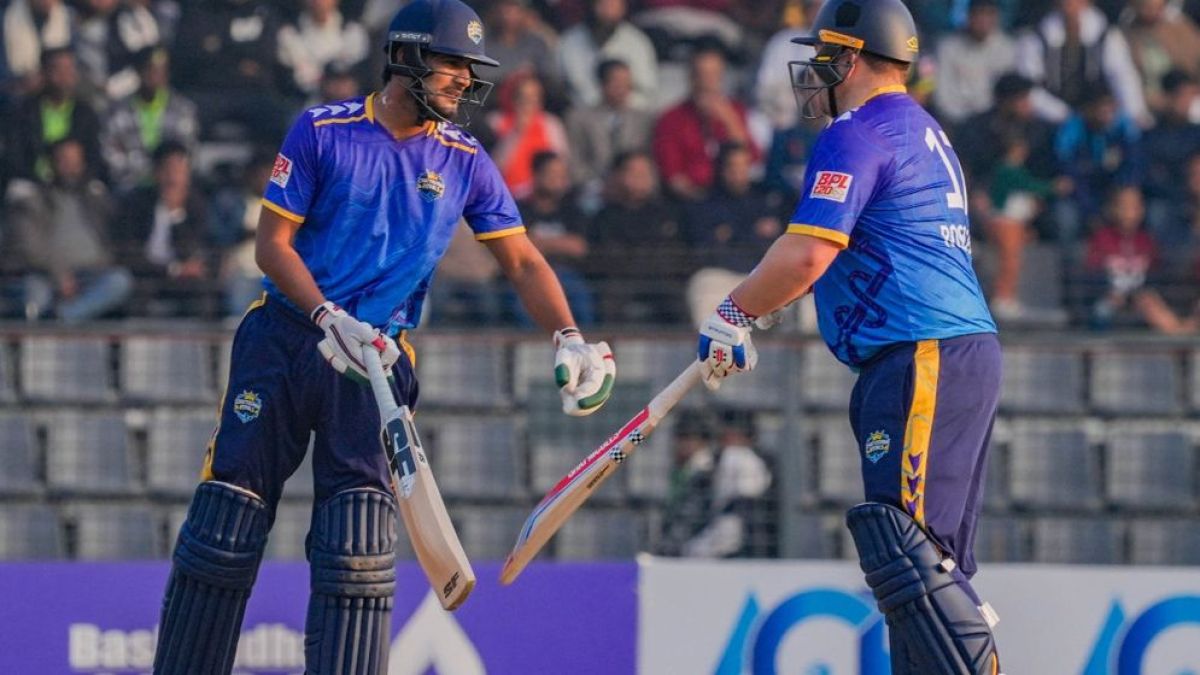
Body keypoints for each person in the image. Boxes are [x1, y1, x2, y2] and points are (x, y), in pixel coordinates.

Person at [151, 1, 615, 672]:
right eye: (452, 63)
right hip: (285, 340)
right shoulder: (323, 129)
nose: (465, 80)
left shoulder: (464, 158)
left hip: (376, 360)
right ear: (407, 56)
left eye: (470, 68)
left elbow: (522, 261)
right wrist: (326, 316)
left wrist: (568, 336)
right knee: (228, 523)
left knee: (357, 543)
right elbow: (271, 245)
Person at [693, 1, 1003, 672]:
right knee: (925, 563)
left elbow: (809, 251)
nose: (815, 73)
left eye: (824, 56)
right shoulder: (919, 126)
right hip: (938, 351)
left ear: (850, 57)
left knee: (912, 556)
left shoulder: (856, 130)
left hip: (922, 350)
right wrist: (773, 301)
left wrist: (733, 312)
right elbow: (858, 248)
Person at [4, 138, 133, 321]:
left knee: (119, 281)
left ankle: (62, 317)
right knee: (36, 298)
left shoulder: (96, 199)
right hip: (44, 275)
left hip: (91, 275)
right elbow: (29, 249)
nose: (70, 168)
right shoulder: (32, 200)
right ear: (50, 164)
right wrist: (59, 275)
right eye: (64, 161)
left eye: (75, 162)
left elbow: (113, 240)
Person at [652, 43, 759, 202]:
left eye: (713, 75)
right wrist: (704, 203)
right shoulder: (671, 119)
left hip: (734, 197)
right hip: (692, 200)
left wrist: (730, 121)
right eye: (701, 74)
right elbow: (673, 176)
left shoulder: (735, 112)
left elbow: (753, 160)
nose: (707, 82)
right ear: (690, 77)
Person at [564, 59, 655, 200]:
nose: (623, 88)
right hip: (592, 191)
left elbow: (649, 159)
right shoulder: (579, 118)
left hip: (635, 192)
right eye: (617, 82)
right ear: (602, 84)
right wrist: (597, 185)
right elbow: (574, 160)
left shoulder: (644, 119)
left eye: (627, 83)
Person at [932, 0, 1016, 128]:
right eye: (979, 14)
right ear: (968, 17)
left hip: (993, 123)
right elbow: (942, 95)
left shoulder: (1007, 48)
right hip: (955, 122)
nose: (983, 20)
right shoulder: (947, 47)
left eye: (989, 14)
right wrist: (963, 120)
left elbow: (1006, 93)